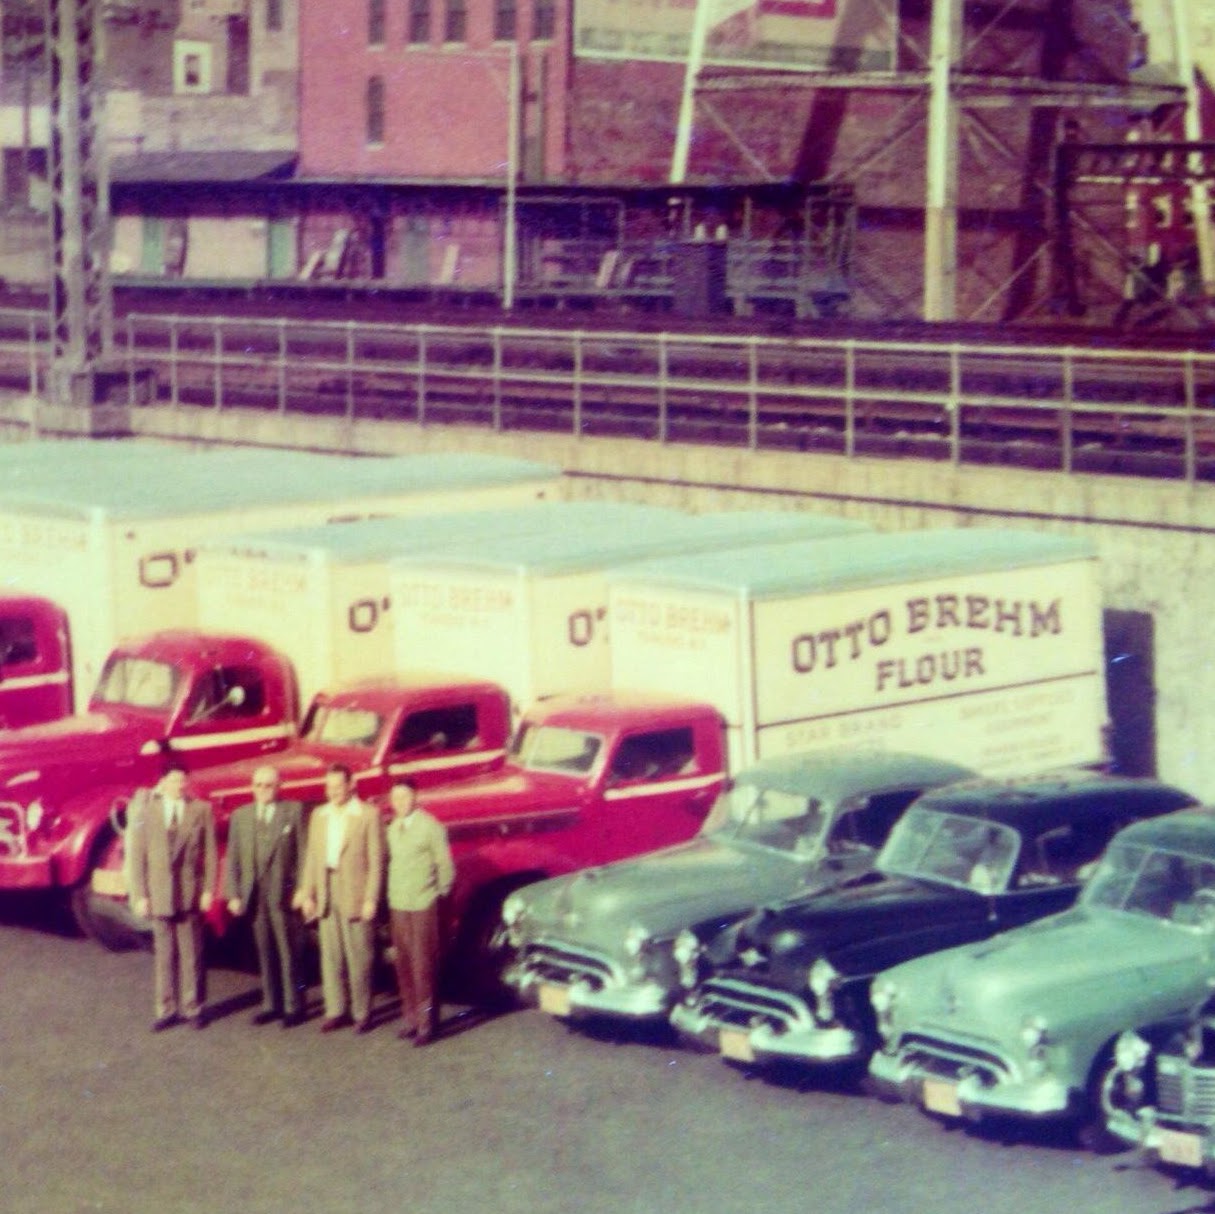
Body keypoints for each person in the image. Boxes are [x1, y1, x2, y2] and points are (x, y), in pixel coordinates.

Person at [127, 761, 217, 1031]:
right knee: (164, 956)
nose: (180, 787)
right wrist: (141, 895)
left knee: (192, 955)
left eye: (183, 781)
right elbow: (137, 856)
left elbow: (210, 854)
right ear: (163, 783)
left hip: (189, 892)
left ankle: (194, 1008)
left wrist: (208, 890)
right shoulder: (147, 811)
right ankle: (166, 1009)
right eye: (175, 782)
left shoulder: (201, 810)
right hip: (159, 894)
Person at [294, 763, 384, 1033]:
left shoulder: (368, 814)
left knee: (360, 955)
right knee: (331, 956)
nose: (333, 792)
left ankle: (362, 1013)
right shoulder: (320, 815)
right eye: (329, 787)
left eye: (338, 786)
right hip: (326, 888)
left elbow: (377, 861)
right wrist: (308, 891)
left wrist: (371, 898)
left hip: (355, 890)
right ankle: (336, 1010)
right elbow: (312, 857)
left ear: (350, 785)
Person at [223, 764, 306, 1028]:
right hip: (255, 895)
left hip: (283, 894)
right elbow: (233, 859)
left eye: (269, 785)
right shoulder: (241, 816)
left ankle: (294, 1005)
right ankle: (271, 1004)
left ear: (279, 787)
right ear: (252, 787)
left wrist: (303, 890)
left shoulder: (292, 812)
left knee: (287, 950)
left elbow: (304, 855)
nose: (263, 790)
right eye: (258, 785)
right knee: (265, 951)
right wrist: (233, 894)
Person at [385, 780, 454, 1047]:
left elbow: (445, 866)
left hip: (423, 903)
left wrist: (439, 895)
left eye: (404, 796)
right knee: (403, 964)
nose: (399, 802)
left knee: (423, 966)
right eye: (395, 798)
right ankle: (411, 1020)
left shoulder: (430, 826)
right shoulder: (392, 828)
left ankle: (427, 1025)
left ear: (415, 796)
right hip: (399, 903)